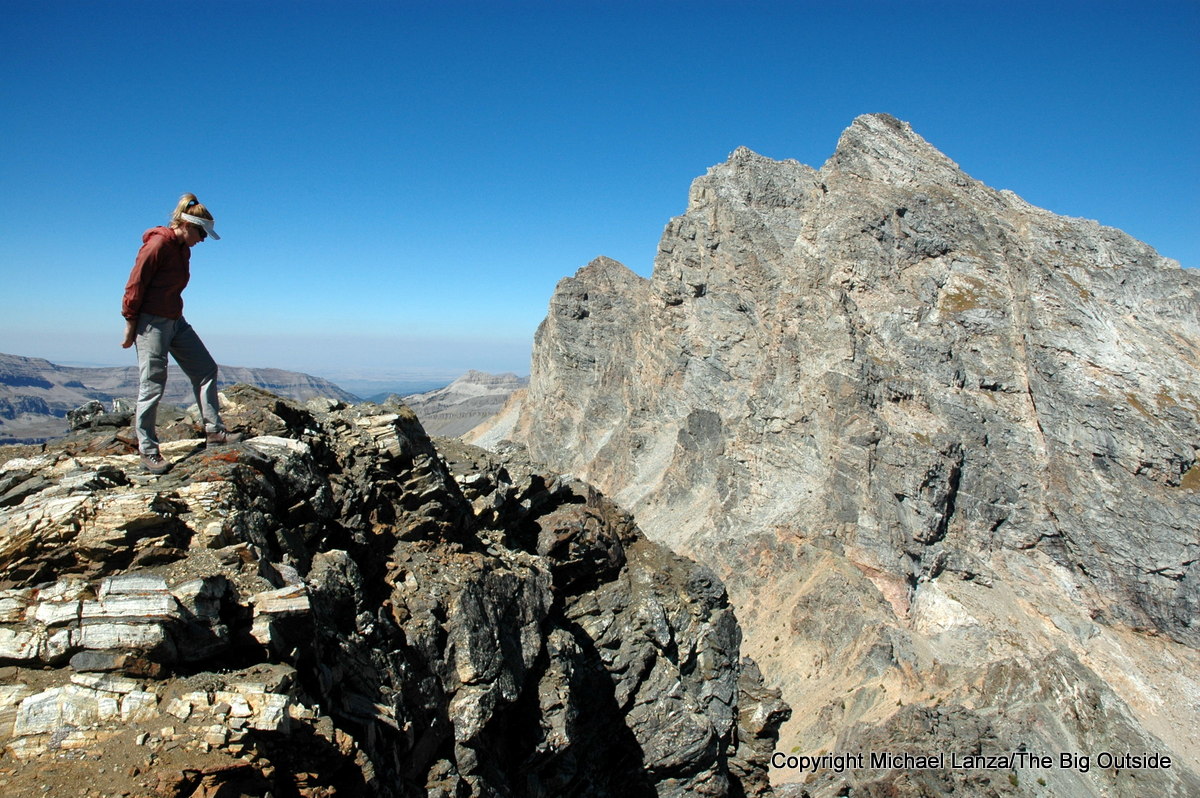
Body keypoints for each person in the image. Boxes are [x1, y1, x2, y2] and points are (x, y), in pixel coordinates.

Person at [121, 193, 241, 474]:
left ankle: (214, 432)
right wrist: (130, 323)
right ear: (187, 225)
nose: (202, 240)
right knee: (152, 385)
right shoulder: (158, 244)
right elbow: (135, 284)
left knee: (205, 368)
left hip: (175, 319)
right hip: (151, 323)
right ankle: (148, 452)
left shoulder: (182, 249)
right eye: (201, 233)